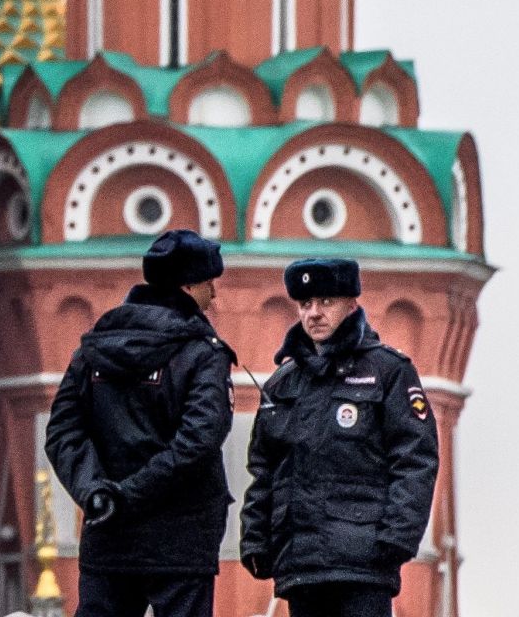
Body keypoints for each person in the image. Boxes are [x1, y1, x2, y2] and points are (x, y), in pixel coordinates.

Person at [44, 229, 237, 617]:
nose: (213, 295)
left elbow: (62, 432)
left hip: (107, 530)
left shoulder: (92, 349)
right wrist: (128, 494)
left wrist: (96, 492)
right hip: (181, 541)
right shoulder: (201, 354)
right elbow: (199, 442)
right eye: (208, 283)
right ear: (186, 286)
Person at [240, 258, 439, 617]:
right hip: (300, 565)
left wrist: (396, 538)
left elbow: (415, 459)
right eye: (305, 304)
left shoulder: (388, 372)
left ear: (352, 305)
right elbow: (264, 471)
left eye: (326, 303)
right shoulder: (281, 384)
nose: (314, 313)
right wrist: (256, 540)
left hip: (364, 563)